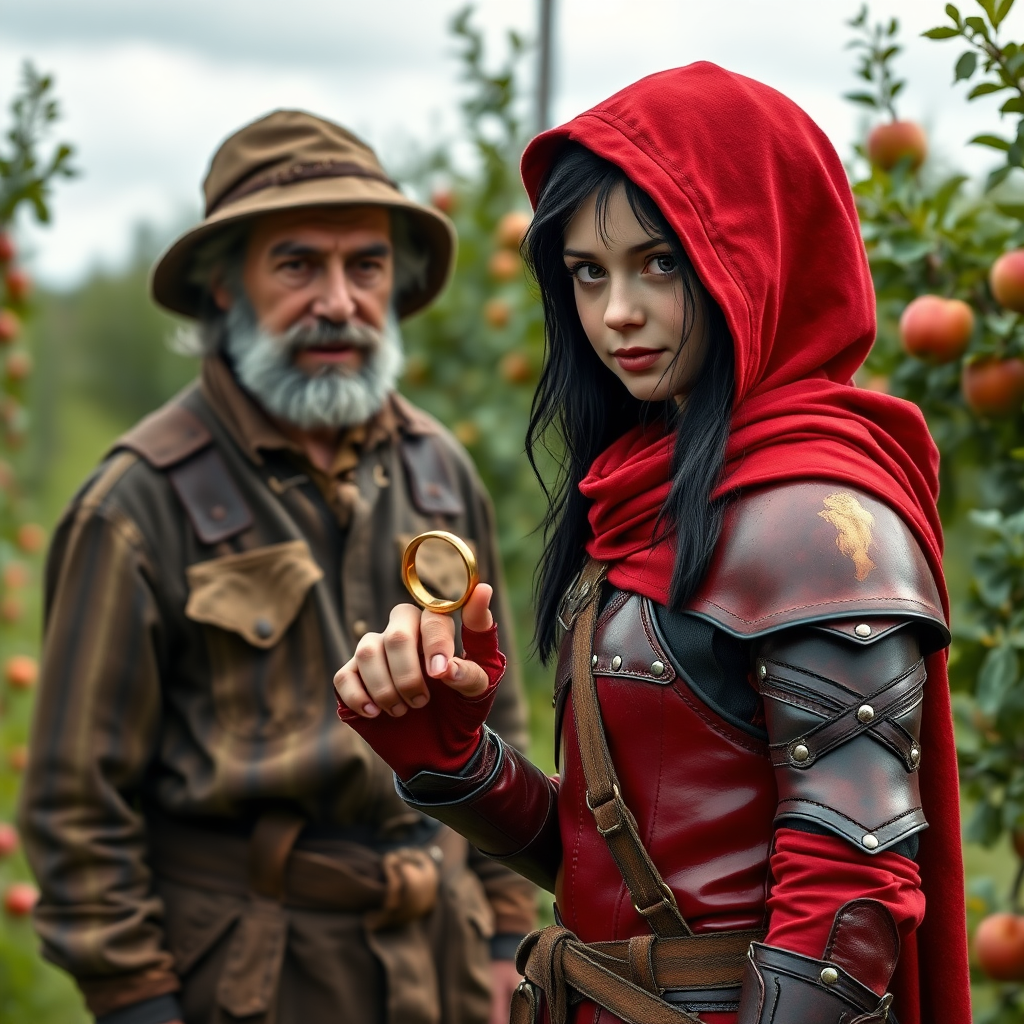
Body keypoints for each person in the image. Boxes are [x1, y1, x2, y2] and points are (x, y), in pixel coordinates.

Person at [333, 64, 973, 1024]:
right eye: (589, 272)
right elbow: (617, 868)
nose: (615, 312)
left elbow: (849, 901)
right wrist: (454, 760)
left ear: (755, 256)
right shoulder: (647, 498)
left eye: (659, 263)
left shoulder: (818, 526)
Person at [19, 110, 535, 1024]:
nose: (338, 300)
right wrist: (135, 1000)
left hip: (441, 962)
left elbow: (503, 721)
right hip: (248, 974)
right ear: (225, 288)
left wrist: (504, 942)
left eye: (365, 266)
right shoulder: (137, 502)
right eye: (298, 264)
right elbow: (76, 803)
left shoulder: (438, 472)